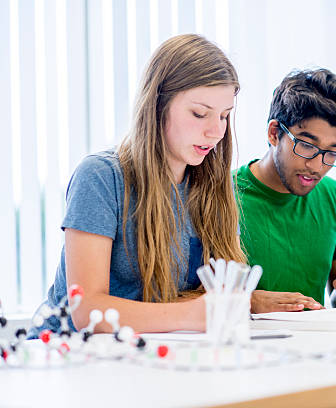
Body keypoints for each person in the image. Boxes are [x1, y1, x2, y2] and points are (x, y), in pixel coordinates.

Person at [30, 34, 244, 336]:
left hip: (151, 354)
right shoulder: (101, 177)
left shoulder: (214, 186)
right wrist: (195, 314)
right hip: (66, 356)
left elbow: (218, 298)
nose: (216, 131)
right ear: (157, 105)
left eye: (225, 116)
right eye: (199, 113)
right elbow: (88, 310)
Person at [235, 68, 336, 313]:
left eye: (332, 153)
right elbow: (187, 294)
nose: (317, 166)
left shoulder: (331, 195)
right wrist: (247, 302)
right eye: (307, 146)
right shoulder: (223, 196)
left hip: (317, 346)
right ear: (274, 133)